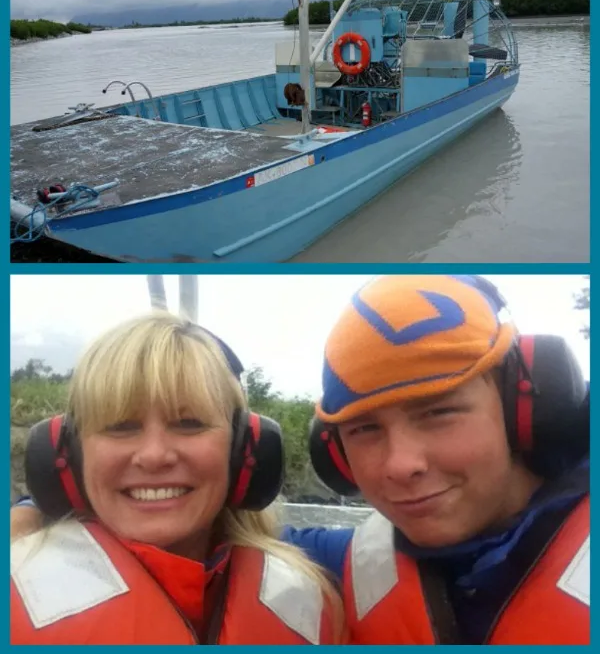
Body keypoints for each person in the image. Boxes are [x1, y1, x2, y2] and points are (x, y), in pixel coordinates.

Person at [10, 312, 346, 645]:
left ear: (245, 449)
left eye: (189, 424)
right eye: (120, 427)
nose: (154, 455)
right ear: (69, 453)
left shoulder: (311, 607)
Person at [288, 274, 590, 645]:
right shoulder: (344, 563)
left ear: (522, 410)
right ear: (334, 453)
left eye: (438, 413)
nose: (400, 464)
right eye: (364, 429)